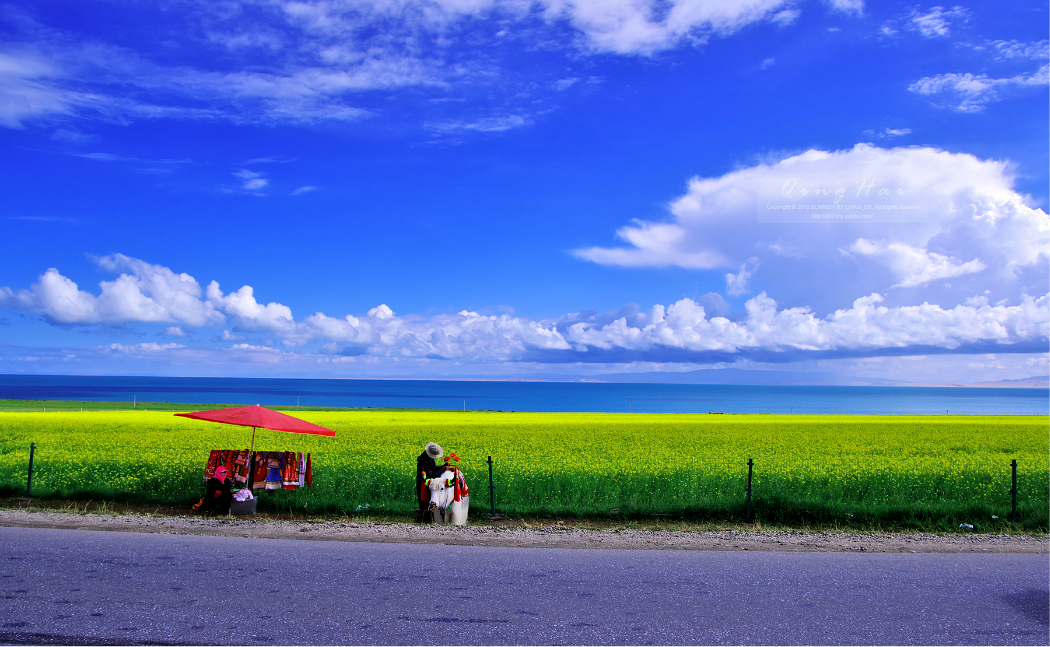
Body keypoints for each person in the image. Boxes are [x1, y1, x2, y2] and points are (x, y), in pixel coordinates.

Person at [415, 442, 447, 523]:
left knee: (429, 503)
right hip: (424, 485)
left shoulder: (429, 459)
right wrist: (442, 470)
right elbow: (431, 474)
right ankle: (425, 521)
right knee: (425, 504)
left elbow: (434, 469)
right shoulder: (423, 462)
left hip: (429, 484)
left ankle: (431, 520)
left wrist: (443, 466)